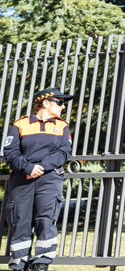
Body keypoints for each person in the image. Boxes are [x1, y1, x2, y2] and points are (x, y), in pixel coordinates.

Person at [3, 88, 74, 271]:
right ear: (45, 103)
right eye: (59, 102)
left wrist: (40, 168)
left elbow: (64, 152)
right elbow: (10, 152)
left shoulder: (62, 126)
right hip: (22, 179)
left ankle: (41, 262)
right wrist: (28, 168)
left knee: (46, 219)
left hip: (49, 179)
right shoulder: (20, 125)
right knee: (20, 220)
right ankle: (19, 263)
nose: (63, 106)